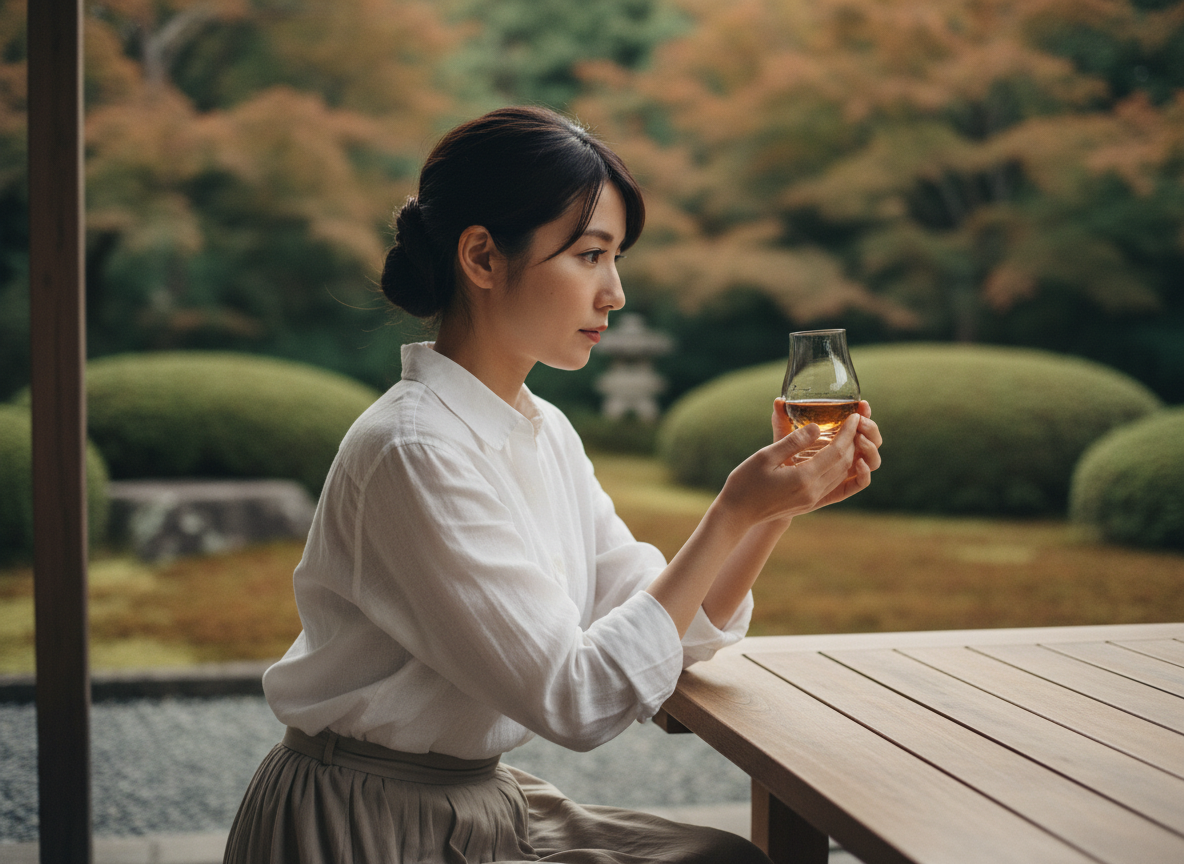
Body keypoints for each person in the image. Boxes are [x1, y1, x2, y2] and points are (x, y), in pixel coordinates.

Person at [224, 106, 882, 864]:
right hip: (373, 822)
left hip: (476, 799)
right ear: (481, 257)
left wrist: (774, 512)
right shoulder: (414, 452)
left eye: (616, 258)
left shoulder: (543, 430)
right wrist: (734, 511)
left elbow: (665, 625)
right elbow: (578, 697)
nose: (615, 293)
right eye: (590, 256)